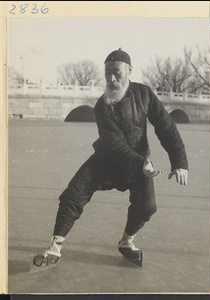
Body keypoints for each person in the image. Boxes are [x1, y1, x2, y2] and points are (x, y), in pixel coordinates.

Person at [33, 49, 188, 268]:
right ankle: (55, 248)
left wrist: (180, 163)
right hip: (106, 161)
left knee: (147, 207)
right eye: (107, 73)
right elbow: (115, 144)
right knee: (72, 196)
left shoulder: (144, 94)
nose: (112, 79)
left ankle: (127, 242)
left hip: (138, 165)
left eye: (117, 73)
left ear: (129, 71)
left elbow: (166, 128)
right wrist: (141, 162)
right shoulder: (101, 105)